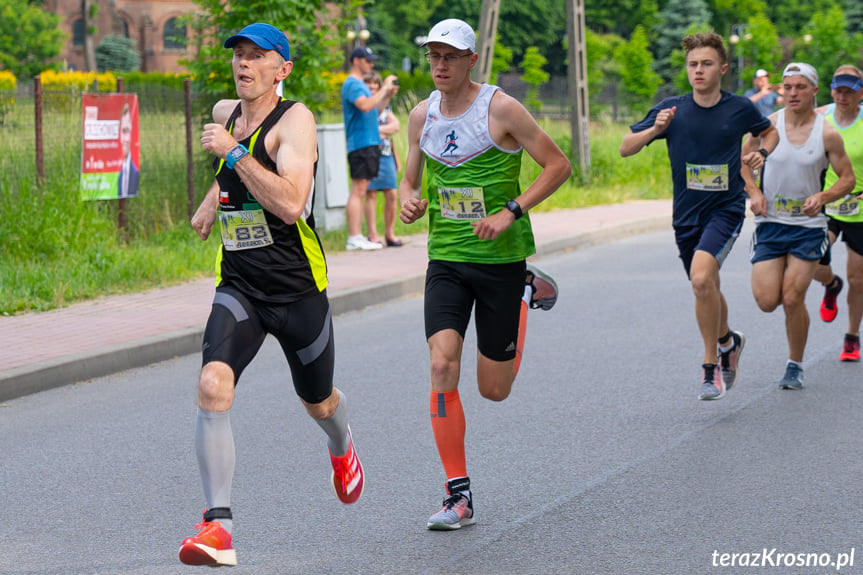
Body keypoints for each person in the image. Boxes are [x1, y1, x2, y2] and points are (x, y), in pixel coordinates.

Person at [180, 23, 365, 567]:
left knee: (319, 401)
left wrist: (233, 155)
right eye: (238, 55)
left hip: (297, 290)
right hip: (240, 285)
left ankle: (341, 444)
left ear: (282, 69)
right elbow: (234, 152)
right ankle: (219, 530)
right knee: (213, 383)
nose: (243, 65)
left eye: (257, 57)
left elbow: (291, 203)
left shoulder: (297, 122)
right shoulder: (228, 113)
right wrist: (214, 198)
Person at [398, 18, 572, 531]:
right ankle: (458, 494)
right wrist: (409, 201)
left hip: (500, 260)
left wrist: (510, 211)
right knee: (441, 365)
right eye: (433, 56)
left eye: (450, 56)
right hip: (447, 260)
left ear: (472, 59)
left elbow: (557, 166)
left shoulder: (501, 108)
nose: (440, 65)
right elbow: (411, 180)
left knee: (495, 389)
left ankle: (523, 292)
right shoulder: (420, 116)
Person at [620, 32, 777, 401]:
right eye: (693, 64)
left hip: (725, 209)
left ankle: (711, 366)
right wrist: (655, 130)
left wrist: (762, 154)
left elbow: (768, 133)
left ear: (722, 68)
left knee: (702, 279)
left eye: (706, 64)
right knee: (706, 285)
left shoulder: (739, 107)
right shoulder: (672, 109)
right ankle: (729, 340)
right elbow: (627, 147)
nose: (699, 70)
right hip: (686, 216)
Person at [742, 62, 855, 389]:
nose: (792, 93)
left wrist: (822, 196)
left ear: (814, 91)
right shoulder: (767, 125)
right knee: (767, 301)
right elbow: (742, 162)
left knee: (792, 298)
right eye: (787, 86)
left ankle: (795, 365)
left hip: (808, 226)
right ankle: (831, 282)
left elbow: (847, 179)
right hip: (770, 223)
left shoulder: (827, 132)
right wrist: (754, 191)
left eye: (800, 87)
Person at [810, 65, 863, 361]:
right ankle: (831, 285)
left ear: (860, 93)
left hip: (860, 208)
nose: (843, 96)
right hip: (827, 203)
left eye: (850, 91)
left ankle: (852, 336)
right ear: (832, 91)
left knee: (859, 279)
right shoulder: (820, 117)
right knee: (810, 258)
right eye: (839, 90)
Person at [341, 46, 399, 250]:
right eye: (368, 61)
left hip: (369, 142)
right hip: (361, 143)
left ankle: (356, 237)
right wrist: (384, 88)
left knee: (362, 188)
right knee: (358, 189)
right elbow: (365, 106)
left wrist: (387, 95)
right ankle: (354, 237)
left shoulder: (360, 86)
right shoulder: (353, 84)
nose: (371, 64)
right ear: (356, 61)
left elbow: (373, 111)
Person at [363, 71, 403, 247]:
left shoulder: (385, 106)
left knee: (392, 194)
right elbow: (366, 127)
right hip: (368, 154)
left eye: (375, 83)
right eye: (368, 83)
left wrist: (378, 132)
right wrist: (383, 130)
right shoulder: (363, 103)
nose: (372, 86)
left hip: (386, 155)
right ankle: (372, 234)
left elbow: (396, 126)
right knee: (370, 194)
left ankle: (390, 234)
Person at [118, 102, 139, 198]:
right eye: (123, 131)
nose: (126, 139)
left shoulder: (136, 174)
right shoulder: (118, 176)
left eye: (128, 131)